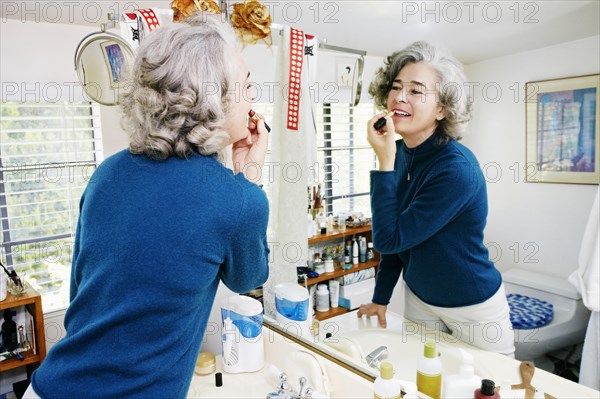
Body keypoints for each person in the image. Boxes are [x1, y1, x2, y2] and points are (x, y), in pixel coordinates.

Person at [26, 14, 270, 399]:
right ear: (214, 100)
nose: (253, 98)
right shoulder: (238, 200)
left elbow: (81, 293)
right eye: (247, 86)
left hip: (49, 386)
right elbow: (247, 279)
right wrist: (250, 178)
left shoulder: (106, 174)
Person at [357, 41, 515, 356]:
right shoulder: (400, 153)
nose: (399, 97)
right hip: (421, 298)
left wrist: (384, 164)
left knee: (493, 386)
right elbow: (398, 243)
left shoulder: (456, 169)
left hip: (473, 305)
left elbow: (389, 238)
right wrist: (381, 298)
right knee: (426, 381)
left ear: (441, 109)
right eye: (396, 87)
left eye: (416, 91)